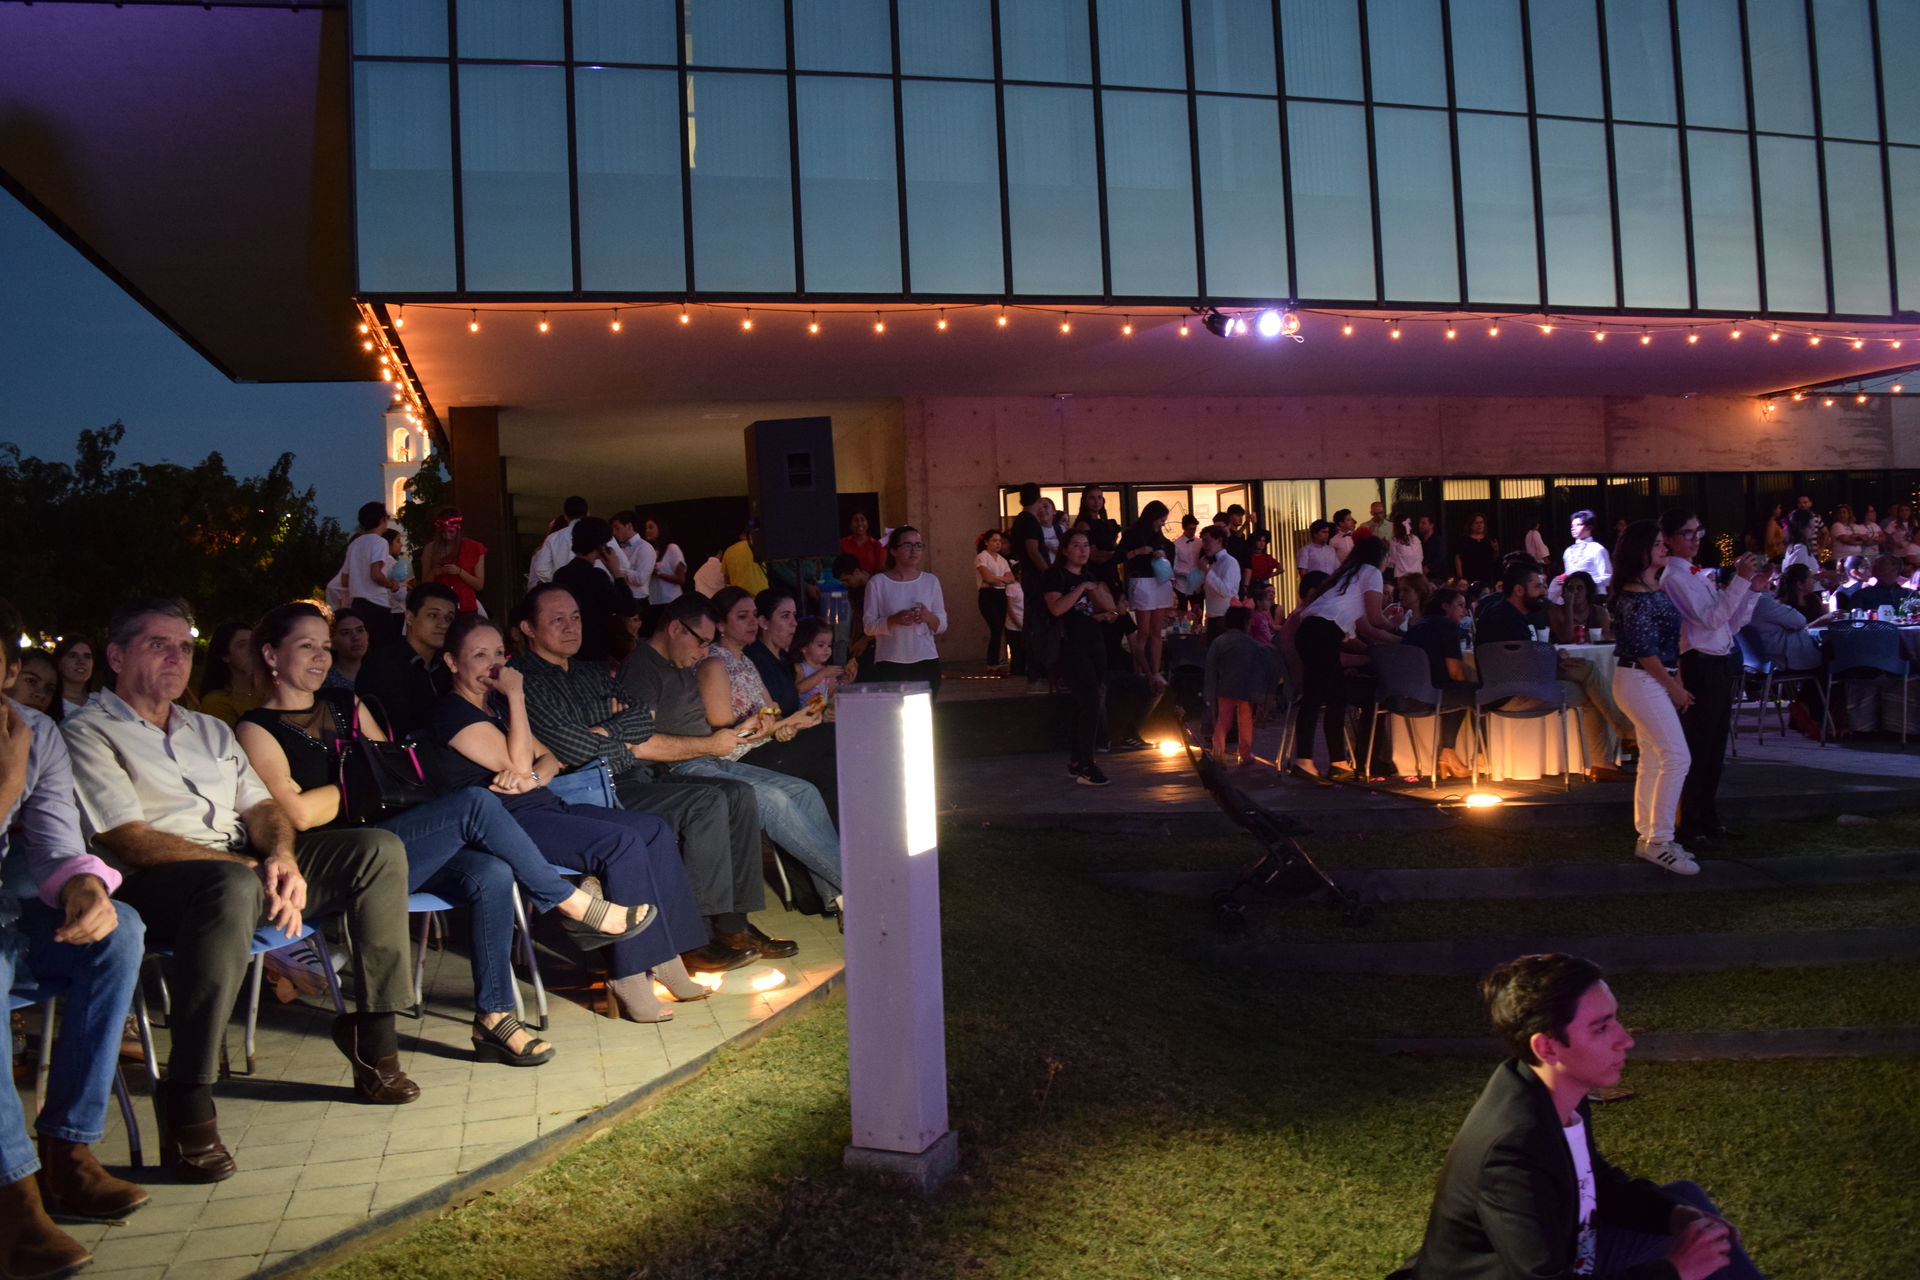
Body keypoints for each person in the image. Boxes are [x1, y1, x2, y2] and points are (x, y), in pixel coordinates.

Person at [63, 599, 423, 1183]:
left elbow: (260, 805)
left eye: (185, 646)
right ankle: (188, 1094)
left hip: (243, 866)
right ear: (115, 655)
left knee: (376, 850)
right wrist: (248, 866)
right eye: (159, 644)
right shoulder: (87, 730)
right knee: (230, 882)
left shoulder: (205, 727)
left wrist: (281, 856)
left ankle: (374, 1043)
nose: (177, 657)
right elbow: (129, 839)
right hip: (154, 885)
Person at [238, 603, 663, 1058]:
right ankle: (568, 901)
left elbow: (392, 779)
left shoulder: (347, 704)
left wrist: (357, 786)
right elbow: (298, 815)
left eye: (324, 646)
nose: (322, 657)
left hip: (393, 842)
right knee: (476, 802)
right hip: (332, 864)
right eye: (307, 647)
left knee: (492, 872)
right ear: (270, 655)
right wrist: (358, 783)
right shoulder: (255, 727)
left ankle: (494, 1018)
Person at [1390, 952, 1763, 1280]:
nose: (1625, 1039)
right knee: (1690, 1252)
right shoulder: (1511, 1151)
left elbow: (1592, 1182)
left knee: (1687, 1204)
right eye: (1601, 1028)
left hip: (1574, 1248)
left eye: (1615, 1020)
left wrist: (1672, 1216)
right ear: (1548, 1046)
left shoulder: (1553, 1088)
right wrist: (1675, 1271)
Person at [428, 614, 714, 1023]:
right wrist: (518, 702)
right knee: (620, 843)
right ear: (453, 663)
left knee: (652, 829)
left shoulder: (495, 708)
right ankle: (628, 973)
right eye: (479, 655)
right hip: (503, 824)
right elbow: (520, 758)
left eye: (497, 654)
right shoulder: (452, 713)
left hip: (540, 805)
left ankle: (666, 955)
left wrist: (529, 773)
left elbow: (550, 759)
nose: (494, 666)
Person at [0, 607, 152, 1274]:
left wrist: (85, 884)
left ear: (8, 671)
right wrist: (6, 783)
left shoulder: (34, 730)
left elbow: (57, 838)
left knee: (121, 931)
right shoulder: (17, 751)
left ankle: (68, 1149)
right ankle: (12, 1194)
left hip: (15, 913)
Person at [511, 584, 773, 970]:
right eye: (557, 620)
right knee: (706, 802)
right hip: (581, 794)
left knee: (737, 793)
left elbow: (639, 719)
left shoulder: (590, 671)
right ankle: (695, 936)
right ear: (529, 628)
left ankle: (734, 922)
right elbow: (571, 748)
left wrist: (602, 732)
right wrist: (615, 734)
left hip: (630, 777)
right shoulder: (525, 678)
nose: (571, 627)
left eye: (576, 617)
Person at [622, 593, 841, 917]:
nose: (703, 652)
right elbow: (639, 744)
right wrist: (713, 743)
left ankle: (839, 899)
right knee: (773, 799)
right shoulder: (643, 669)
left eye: (708, 644)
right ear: (675, 629)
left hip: (710, 755)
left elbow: (707, 728)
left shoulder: (679, 663)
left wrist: (746, 728)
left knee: (803, 791)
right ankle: (855, 890)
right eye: (700, 642)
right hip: (677, 768)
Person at [1660, 510, 1768, 848]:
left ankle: (1708, 818)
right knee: (1699, 747)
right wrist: (1740, 580)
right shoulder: (1674, 578)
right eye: (1687, 533)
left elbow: (1729, 625)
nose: (1695, 539)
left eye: (1698, 531)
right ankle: (1689, 824)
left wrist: (1751, 589)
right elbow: (1710, 620)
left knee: (1716, 747)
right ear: (1669, 539)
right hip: (1699, 664)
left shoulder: (1697, 575)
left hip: (1719, 662)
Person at [1477, 565, 1633, 782]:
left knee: (1588, 682)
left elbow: (1523, 658)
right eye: (1537, 586)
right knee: (1591, 685)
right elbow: (1521, 664)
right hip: (1517, 693)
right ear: (1519, 590)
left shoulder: (1498, 613)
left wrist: (1555, 659)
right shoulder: (1510, 620)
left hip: (1497, 691)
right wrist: (1555, 663)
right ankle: (1618, 742)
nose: (1543, 591)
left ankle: (1610, 753)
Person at [1610, 522, 1697, 873]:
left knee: (1655, 758)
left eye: (1664, 543)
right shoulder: (1634, 597)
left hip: (1645, 678)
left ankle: (1651, 836)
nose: (1664, 548)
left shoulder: (1649, 588)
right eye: (1658, 544)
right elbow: (1646, 651)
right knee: (1676, 757)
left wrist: (1674, 678)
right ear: (1640, 551)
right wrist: (1674, 686)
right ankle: (1659, 840)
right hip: (1640, 678)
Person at [1288, 539, 1397, 785]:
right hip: (1323, 632)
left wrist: (1392, 640)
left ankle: (1338, 763)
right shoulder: (1371, 573)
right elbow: (1375, 618)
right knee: (1315, 696)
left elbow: (1364, 626)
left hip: (1313, 631)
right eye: (1388, 556)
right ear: (1380, 556)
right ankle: (1304, 761)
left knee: (1336, 696)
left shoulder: (1349, 574)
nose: (1389, 561)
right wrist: (1399, 631)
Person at [1044, 528, 1119, 786]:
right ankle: (1087, 764)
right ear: (1065, 549)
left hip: (1094, 642)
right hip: (1070, 646)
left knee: (1088, 701)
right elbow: (1056, 608)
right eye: (1076, 545)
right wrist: (1082, 588)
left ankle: (1078, 761)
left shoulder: (1090, 576)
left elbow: (1093, 610)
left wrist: (1104, 613)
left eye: (1086, 545)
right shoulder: (1056, 576)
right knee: (1089, 701)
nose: (1083, 550)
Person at [355, 581, 459, 740]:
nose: (443, 624)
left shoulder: (445, 667)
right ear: (410, 617)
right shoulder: (384, 666)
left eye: (449, 618)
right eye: (433, 615)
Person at [862, 525, 946, 697]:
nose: (914, 550)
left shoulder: (930, 581)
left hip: (925, 659)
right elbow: (868, 626)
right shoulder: (878, 583)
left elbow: (942, 623)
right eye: (907, 545)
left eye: (918, 545)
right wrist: (894, 620)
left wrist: (927, 616)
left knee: (923, 717)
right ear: (893, 550)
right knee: (894, 717)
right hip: (890, 660)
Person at [1403, 589, 1475, 779]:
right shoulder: (1447, 626)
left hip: (1403, 693)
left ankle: (1451, 755)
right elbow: (1455, 672)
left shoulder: (1418, 625)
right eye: (1459, 605)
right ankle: (1462, 753)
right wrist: (1471, 674)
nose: (1464, 610)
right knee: (1474, 691)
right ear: (1445, 606)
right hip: (1430, 695)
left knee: (1458, 690)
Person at [552, 516, 636, 666]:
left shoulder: (560, 575)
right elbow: (629, 607)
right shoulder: (597, 576)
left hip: (567, 648)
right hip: (595, 650)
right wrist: (616, 573)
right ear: (600, 547)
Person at [1204, 606, 1275, 767]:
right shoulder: (1251, 643)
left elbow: (1210, 669)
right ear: (1246, 623)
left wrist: (1209, 692)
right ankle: (1245, 754)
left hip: (1226, 686)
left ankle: (1218, 753)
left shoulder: (1219, 641)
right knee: (1245, 720)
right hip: (1246, 687)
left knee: (1223, 721)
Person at [1117, 502, 1175, 682]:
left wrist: (1163, 556)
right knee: (1143, 630)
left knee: (1156, 630)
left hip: (1159, 580)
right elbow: (1119, 556)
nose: (1162, 524)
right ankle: (1141, 670)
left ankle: (1155, 671)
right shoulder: (1132, 533)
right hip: (1141, 580)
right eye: (1160, 520)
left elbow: (1168, 551)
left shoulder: (1159, 536)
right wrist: (1138, 552)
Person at [527, 496, 627, 589]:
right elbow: (624, 564)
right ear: (588, 513)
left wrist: (559, 581)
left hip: (567, 593)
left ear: (565, 516)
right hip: (600, 590)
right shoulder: (602, 533)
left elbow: (541, 569)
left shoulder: (553, 538)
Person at [343, 501, 399, 648]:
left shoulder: (354, 544)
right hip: (377, 604)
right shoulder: (379, 542)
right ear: (382, 520)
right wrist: (391, 584)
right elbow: (376, 574)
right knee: (385, 649)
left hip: (357, 604)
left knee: (365, 649)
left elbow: (344, 579)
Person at [420, 506, 488, 615]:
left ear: (458, 529)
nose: (447, 536)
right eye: (443, 532)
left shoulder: (475, 548)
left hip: (466, 607)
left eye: (451, 532)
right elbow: (424, 584)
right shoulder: (430, 548)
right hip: (439, 607)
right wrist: (436, 572)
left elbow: (479, 585)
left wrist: (460, 572)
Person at [196, 621, 262, 727]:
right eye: (242, 645)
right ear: (225, 655)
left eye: (255, 643)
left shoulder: (268, 692)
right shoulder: (216, 702)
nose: (253, 650)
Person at [975, 529, 1015, 672]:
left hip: (1000, 595)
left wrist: (997, 580)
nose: (998, 543)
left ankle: (995, 661)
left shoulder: (1002, 559)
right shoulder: (982, 557)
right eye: (994, 540)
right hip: (987, 595)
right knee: (996, 627)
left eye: (1000, 541)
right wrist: (1000, 579)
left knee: (999, 628)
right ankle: (992, 663)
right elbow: (987, 578)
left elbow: (1011, 579)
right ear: (986, 542)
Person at [1549, 571, 1612, 644]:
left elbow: (1607, 636)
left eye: (1580, 588)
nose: (1575, 591)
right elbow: (1566, 638)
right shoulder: (1556, 611)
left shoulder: (1599, 612)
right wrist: (1569, 607)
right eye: (1570, 588)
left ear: (1588, 591)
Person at [1200, 524, 1241, 635]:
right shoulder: (1212, 562)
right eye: (1203, 542)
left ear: (1219, 541)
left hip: (1224, 617)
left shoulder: (1230, 562)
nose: (1204, 545)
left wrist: (1208, 572)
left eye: (1207, 541)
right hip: (1212, 616)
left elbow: (1226, 591)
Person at [1563, 510, 1612, 596]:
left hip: (1594, 596)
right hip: (1572, 596)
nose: (1573, 528)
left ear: (1589, 527)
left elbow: (1607, 576)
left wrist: (1586, 583)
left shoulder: (1597, 549)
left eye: (1578, 525)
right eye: (1572, 525)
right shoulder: (1568, 551)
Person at [52, 636, 98, 717]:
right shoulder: (49, 702)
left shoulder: (102, 702)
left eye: (87, 657)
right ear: (59, 662)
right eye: (73, 656)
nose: (81, 662)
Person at [325, 610, 370, 693]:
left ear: (367, 635)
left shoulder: (380, 674)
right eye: (345, 633)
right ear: (332, 642)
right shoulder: (325, 680)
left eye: (360, 630)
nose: (356, 638)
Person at [647, 518, 689, 608]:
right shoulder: (653, 551)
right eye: (646, 528)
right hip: (654, 601)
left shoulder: (672, 548)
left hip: (671, 601)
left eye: (651, 527)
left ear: (660, 528)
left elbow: (681, 579)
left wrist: (659, 574)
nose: (647, 531)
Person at [721, 520, 770, 595]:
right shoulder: (761, 546)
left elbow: (726, 580)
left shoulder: (729, 550)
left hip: (740, 597)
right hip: (762, 594)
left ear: (741, 536)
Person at [838, 511, 888, 583]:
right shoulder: (842, 543)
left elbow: (880, 568)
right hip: (847, 585)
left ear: (867, 523)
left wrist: (868, 579)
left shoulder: (876, 544)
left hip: (870, 583)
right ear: (850, 524)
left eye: (862, 520)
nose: (859, 523)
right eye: (856, 520)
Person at [11, 650, 61, 720]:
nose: (41, 694)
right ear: (10, 676)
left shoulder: (48, 728)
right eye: (31, 681)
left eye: (50, 689)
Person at [1455, 513, 1500, 586]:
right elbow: (1458, 558)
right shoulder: (1464, 540)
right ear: (1471, 525)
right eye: (1477, 523)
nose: (1479, 525)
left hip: (1486, 575)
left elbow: (1494, 559)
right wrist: (1460, 577)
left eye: (1481, 522)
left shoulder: (1489, 539)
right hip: (1469, 575)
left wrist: (1496, 550)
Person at [1171, 513, 1203, 612]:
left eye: (1194, 528)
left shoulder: (1200, 543)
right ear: (1184, 528)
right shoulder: (1176, 544)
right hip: (1181, 586)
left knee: (1198, 614)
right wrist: (1186, 573)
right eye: (1190, 529)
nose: (1193, 531)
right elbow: (1174, 565)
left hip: (1197, 587)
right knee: (1181, 614)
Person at [1781, 507, 1819, 574]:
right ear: (1800, 527)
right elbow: (1798, 578)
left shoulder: (1794, 546)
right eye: (1810, 527)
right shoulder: (1800, 549)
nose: (1813, 530)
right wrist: (1823, 576)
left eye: (1814, 527)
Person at [1418, 514, 1449, 585]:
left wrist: (1428, 568)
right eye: (1420, 523)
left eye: (1423, 523)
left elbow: (1440, 557)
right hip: (1422, 577)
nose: (1420, 526)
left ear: (1431, 525)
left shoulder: (1438, 540)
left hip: (1437, 578)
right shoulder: (1419, 541)